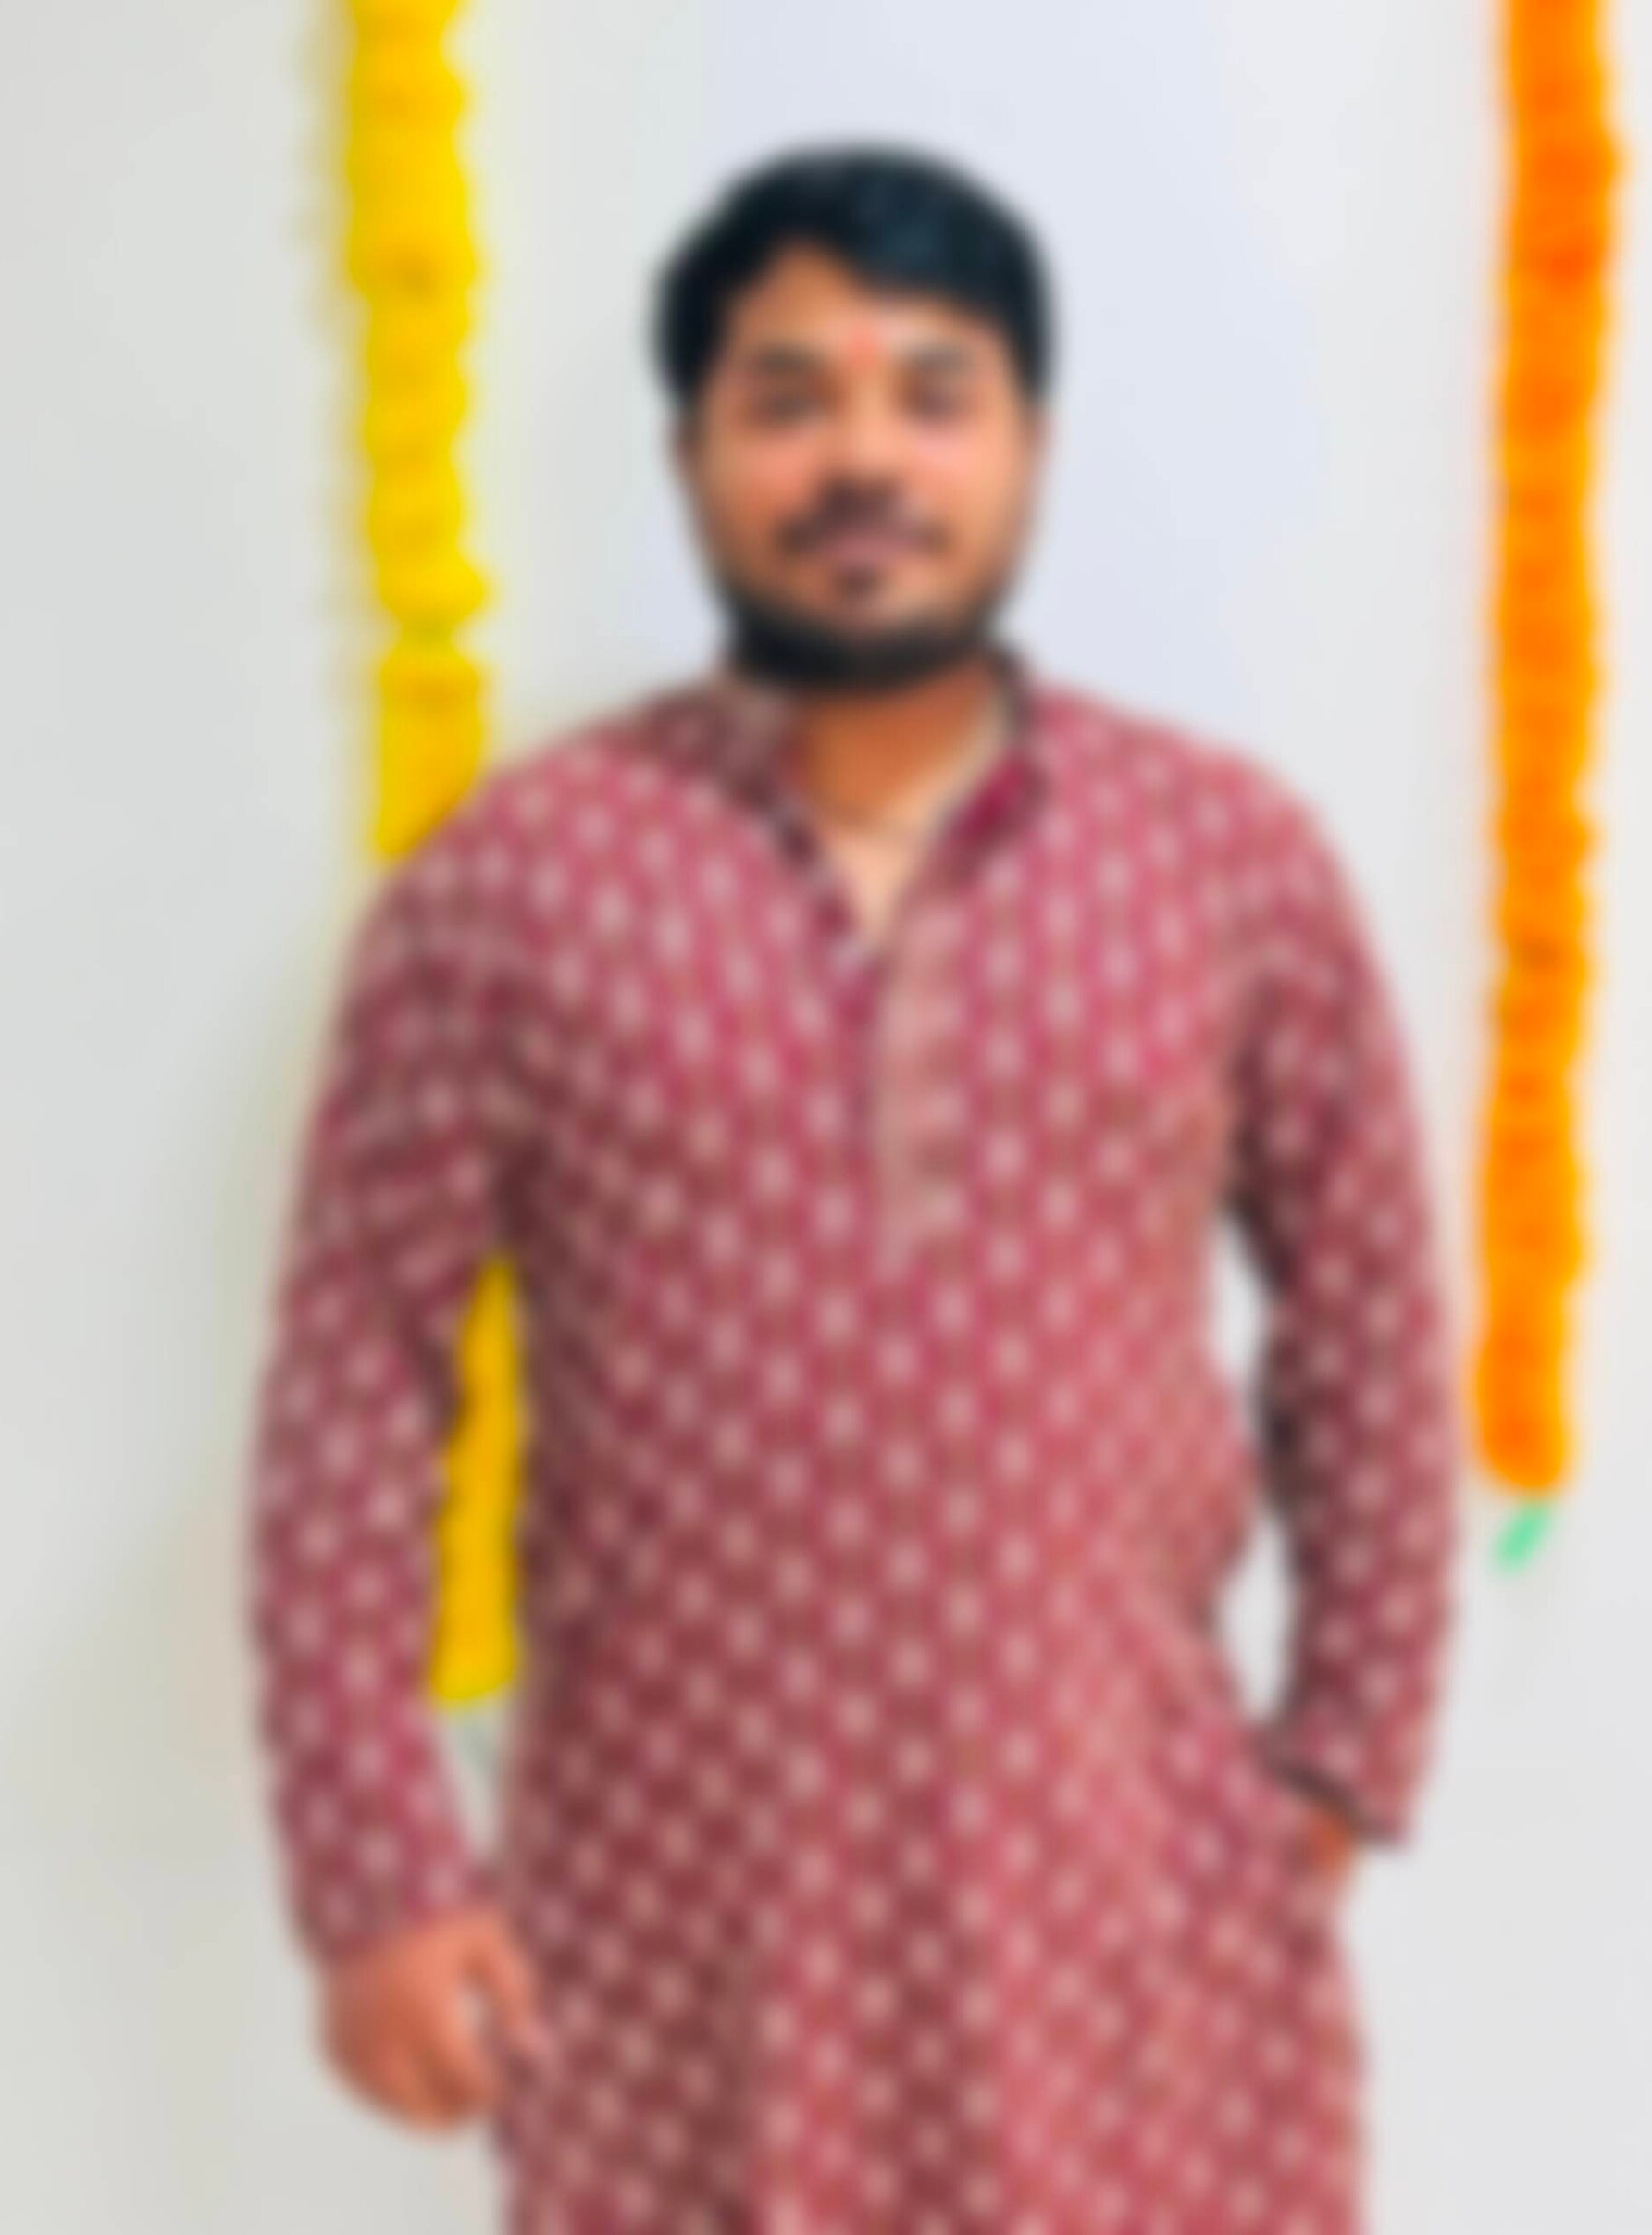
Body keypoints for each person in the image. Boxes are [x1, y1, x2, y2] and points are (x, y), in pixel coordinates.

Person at [245, 142, 1460, 2234]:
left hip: (1132, 1930)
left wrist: (1339, 1767)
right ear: (692, 453)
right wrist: (379, 1880)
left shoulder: (1225, 865)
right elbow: (355, 1388)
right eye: (788, 398)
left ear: (1030, 444)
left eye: (933, 392)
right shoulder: (516, 884)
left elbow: (1366, 1329)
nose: (865, 458)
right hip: (670, 1935)